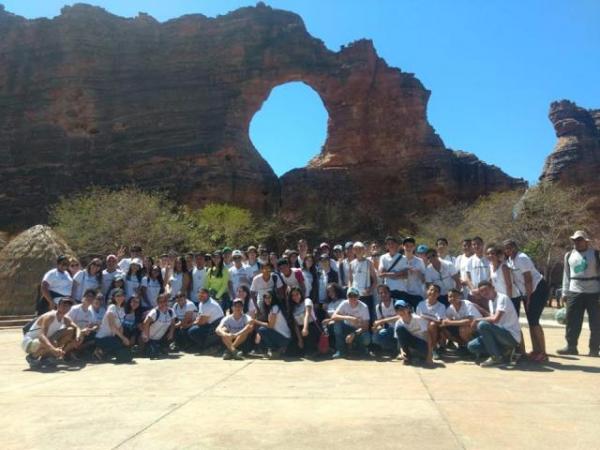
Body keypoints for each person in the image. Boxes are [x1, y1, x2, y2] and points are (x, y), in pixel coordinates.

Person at [503, 239, 550, 361]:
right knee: (531, 322)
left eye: (510, 247)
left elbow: (528, 279)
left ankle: (543, 352)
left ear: (515, 247)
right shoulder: (510, 261)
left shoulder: (522, 258)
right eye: (506, 248)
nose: (509, 250)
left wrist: (528, 298)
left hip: (537, 289)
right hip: (527, 293)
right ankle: (536, 350)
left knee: (534, 321)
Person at [555, 231, 600, 357]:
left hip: (593, 292)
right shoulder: (569, 255)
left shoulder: (596, 255)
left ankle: (594, 349)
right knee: (572, 321)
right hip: (575, 291)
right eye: (575, 240)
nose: (577, 242)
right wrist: (565, 292)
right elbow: (566, 275)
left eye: (579, 240)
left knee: (596, 322)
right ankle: (571, 346)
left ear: (586, 241)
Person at [467, 281, 522, 367]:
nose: (484, 292)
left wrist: (477, 319)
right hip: (499, 334)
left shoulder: (502, 298)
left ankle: (496, 357)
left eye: (486, 289)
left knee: (482, 325)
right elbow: (492, 317)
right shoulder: (490, 301)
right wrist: (480, 309)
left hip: (510, 336)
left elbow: (495, 319)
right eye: (481, 291)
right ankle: (504, 352)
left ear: (493, 288)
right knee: (472, 346)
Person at [22, 297, 80, 369]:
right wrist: (53, 349)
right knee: (53, 343)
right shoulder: (50, 316)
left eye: (68, 306)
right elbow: (42, 336)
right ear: (58, 306)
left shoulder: (66, 319)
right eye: (64, 305)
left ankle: (46, 358)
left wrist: (77, 338)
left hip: (42, 341)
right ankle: (32, 357)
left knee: (70, 330)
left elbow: (76, 328)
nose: (66, 307)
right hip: (29, 343)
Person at [330, 287, 371, 358]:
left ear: (358, 296)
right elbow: (333, 316)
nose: (352, 298)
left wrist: (353, 334)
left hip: (358, 330)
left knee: (366, 339)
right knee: (337, 324)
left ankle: (362, 349)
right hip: (347, 328)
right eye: (350, 296)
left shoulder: (364, 307)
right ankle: (341, 351)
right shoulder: (344, 303)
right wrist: (348, 317)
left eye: (354, 296)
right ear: (347, 297)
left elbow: (366, 326)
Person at [94, 288, 132, 363]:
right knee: (120, 344)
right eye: (117, 296)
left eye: (121, 296)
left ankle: (104, 352)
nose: (120, 298)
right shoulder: (112, 307)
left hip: (111, 337)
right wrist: (123, 338)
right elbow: (112, 327)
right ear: (114, 297)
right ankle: (99, 350)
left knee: (124, 349)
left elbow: (120, 326)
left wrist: (122, 339)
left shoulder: (122, 309)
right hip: (102, 338)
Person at [394, 300, 433, 366]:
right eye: (398, 309)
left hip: (422, 345)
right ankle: (408, 357)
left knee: (422, 350)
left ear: (408, 308)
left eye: (403, 308)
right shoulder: (398, 323)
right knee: (399, 329)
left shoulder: (418, 319)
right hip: (410, 346)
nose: (401, 311)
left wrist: (429, 356)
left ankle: (419, 357)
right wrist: (402, 352)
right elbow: (400, 341)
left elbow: (428, 337)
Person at [254, 291, 292, 358]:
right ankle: (271, 350)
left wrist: (255, 321)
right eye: (265, 297)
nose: (267, 299)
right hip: (280, 335)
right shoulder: (271, 309)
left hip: (284, 338)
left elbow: (270, 325)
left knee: (262, 330)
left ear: (273, 298)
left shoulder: (275, 308)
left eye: (269, 297)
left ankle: (274, 349)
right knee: (261, 330)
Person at [348, 241, 378, 323]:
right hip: (355, 296)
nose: (358, 250)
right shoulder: (351, 264)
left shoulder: (369, 263)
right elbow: (350, 280)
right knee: (356, 318)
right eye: (356, 249)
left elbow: (375, 280)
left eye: (360, 248)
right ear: (353, 250)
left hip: (366, 295)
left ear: (364, 250)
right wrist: (349, 291)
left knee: (369, 318)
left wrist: (370, 290)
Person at [416, 284, 447, 359]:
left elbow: (439, 321)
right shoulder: (421, 304)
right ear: (427, 291)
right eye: (431, 290)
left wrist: (425, 318)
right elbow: (417, 318)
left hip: (435, 329)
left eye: (436, 291)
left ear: (439, 294)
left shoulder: (441, 306)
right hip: (422, 328)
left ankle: (433, 349)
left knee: (432, 325)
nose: (433, 292)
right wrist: (430, 318)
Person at [66, 289, 100, 358]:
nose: (90, 298)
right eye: (88, 296)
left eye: (92, 297)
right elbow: (66, 321)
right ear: (84, 297)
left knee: (97, 337)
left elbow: (95, 324)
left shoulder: (91, 311)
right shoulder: (75, 309)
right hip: (72, 331)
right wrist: (79, 331)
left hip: (84, 333)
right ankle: (65, 352)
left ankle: (76, 351)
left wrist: (91, 329)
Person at [142, 294, 175, 358]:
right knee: (153, 354)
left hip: (161, 338)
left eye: (165, 301)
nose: (163, 303)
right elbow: (146, 322)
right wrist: (147, 336)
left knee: (162, 352)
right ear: (157, 303)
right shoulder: (154, 312)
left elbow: (173, 324)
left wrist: (171, 333)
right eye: (160, 302)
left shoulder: (171, 311)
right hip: (150, 338)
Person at [396, 237, 426, 308]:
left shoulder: (419, 261)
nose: (409, 248)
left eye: (411, 246)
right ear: (403, 247)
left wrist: (417, 272)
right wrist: (403, 273)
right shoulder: (398, 260)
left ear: (414, 247)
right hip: (403, 293)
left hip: (416, 293)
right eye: (406, 246)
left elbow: (424, 279)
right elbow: (395, 275)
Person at [289, 287, 320, 356]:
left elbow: (307, 315)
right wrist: (300, 340)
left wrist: (305, 328)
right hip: (300, 328)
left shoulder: (307, 301)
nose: (295, 297)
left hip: (311, 326)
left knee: (309, 352)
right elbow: (296, 325)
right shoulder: (293, 307)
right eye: (293, 295)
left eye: (297, 294)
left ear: (301, 294)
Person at [371, 285, 399, 354]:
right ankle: (392, 349)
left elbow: (401, 317)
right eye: (380, 293)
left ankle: (400, 351)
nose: (383, 294)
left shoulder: (397, 303)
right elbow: (382, 325)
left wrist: (383, 320)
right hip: (389, 330)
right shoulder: (379, 307)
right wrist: (376, 328)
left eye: (385, 292)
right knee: (376, 337)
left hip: (400, 329)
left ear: (389, 293)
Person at [466, 237, 491, 307]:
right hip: (474, 294)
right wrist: (473, 289)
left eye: (478, 244)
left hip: (487, 293)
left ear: (483, 244)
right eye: (474, 244)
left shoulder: (489, 259)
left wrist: (484, 290)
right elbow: (467, 278)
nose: (476, 246)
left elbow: (491, 276)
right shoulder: (469, 260)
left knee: (488, 315)